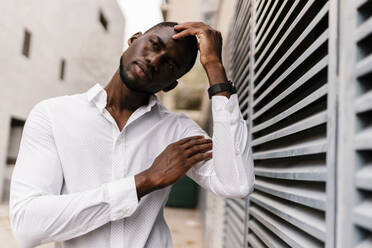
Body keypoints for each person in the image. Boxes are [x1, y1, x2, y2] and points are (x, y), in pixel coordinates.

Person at [9, 21, 254, 248]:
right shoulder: (54, 115)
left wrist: (214, 67)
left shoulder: (178, 131)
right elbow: (27, 226)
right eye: (154, 45)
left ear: (170, 84)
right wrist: (145, 181)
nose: (155, 60)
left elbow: (237, 183)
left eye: (170, 65)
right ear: (134, 39)